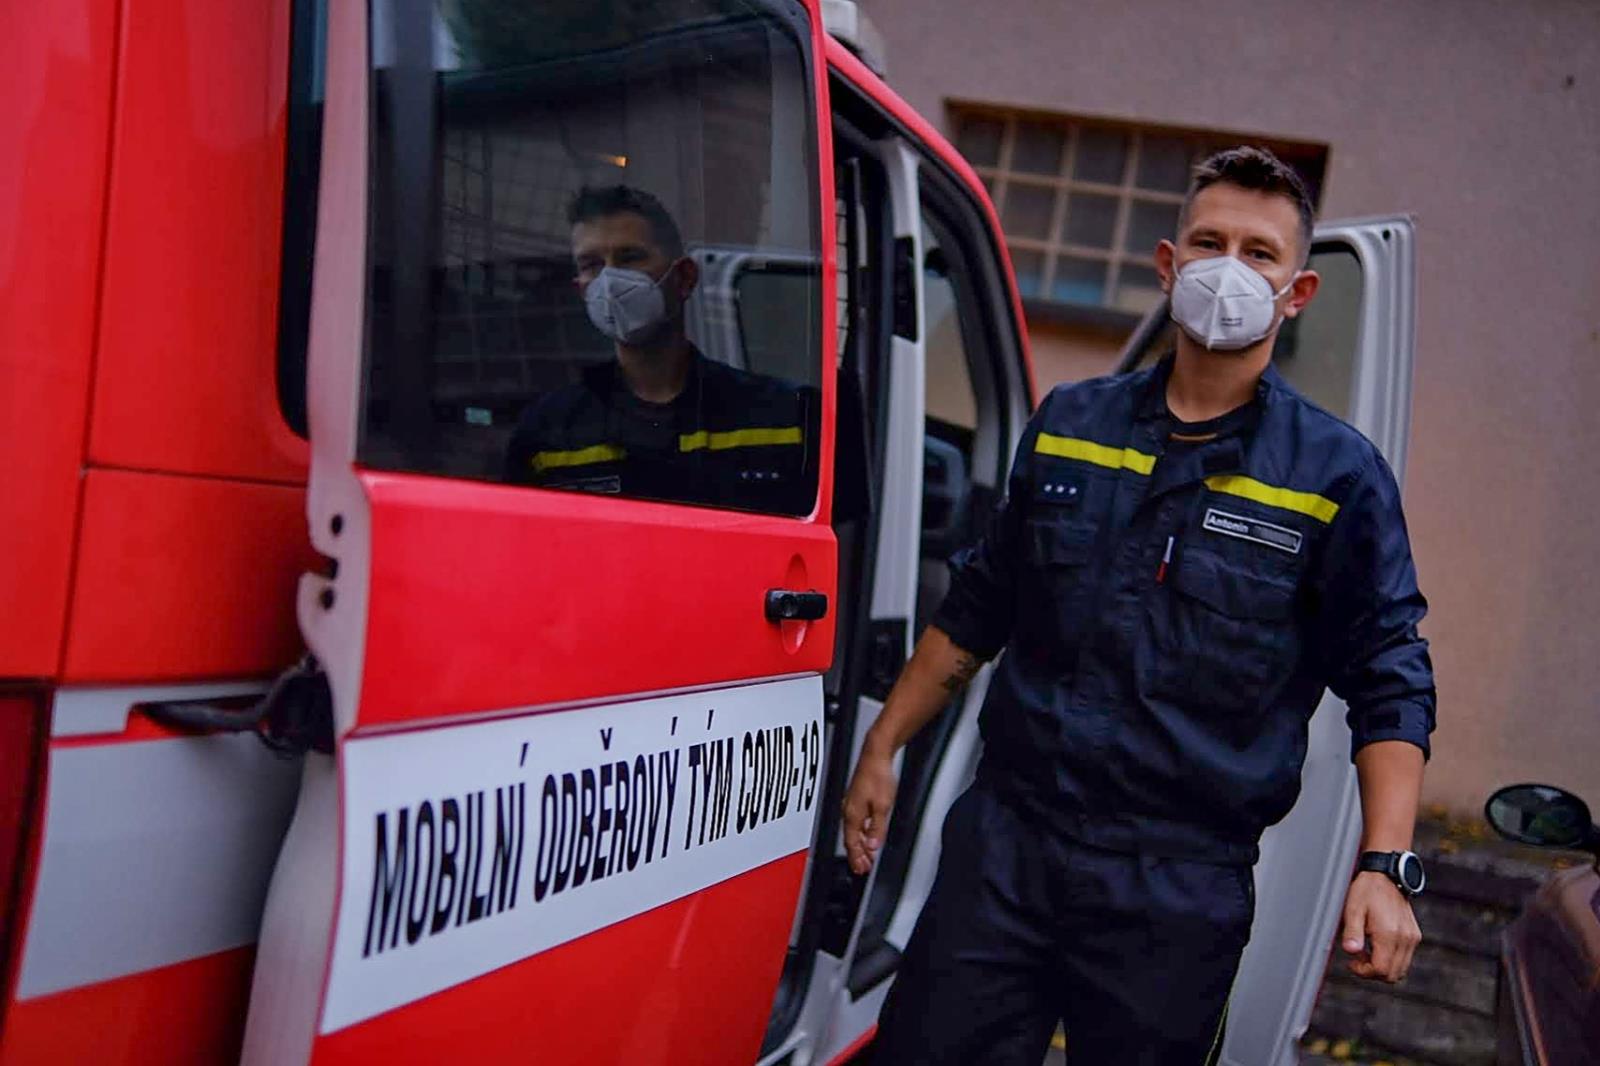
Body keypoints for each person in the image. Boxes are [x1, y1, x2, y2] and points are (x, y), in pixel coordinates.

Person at [843, 147, 1436, 1064]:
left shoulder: (1335, 478)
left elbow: (1390, 675)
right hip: (1006, 846)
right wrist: (884, 745)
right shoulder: (1070, 424)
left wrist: (1385, 866)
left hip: (1178, 888)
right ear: (1168, 265)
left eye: (1260, 252)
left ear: (1299, 292)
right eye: (1209, 242)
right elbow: (981, 606)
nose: (1229, 268)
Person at [504, 184, 814, 515]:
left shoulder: (781, 418)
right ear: (581, 290)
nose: (610, 281)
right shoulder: (548, 434)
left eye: (629, 258)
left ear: (684, 277)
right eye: (592, 264)